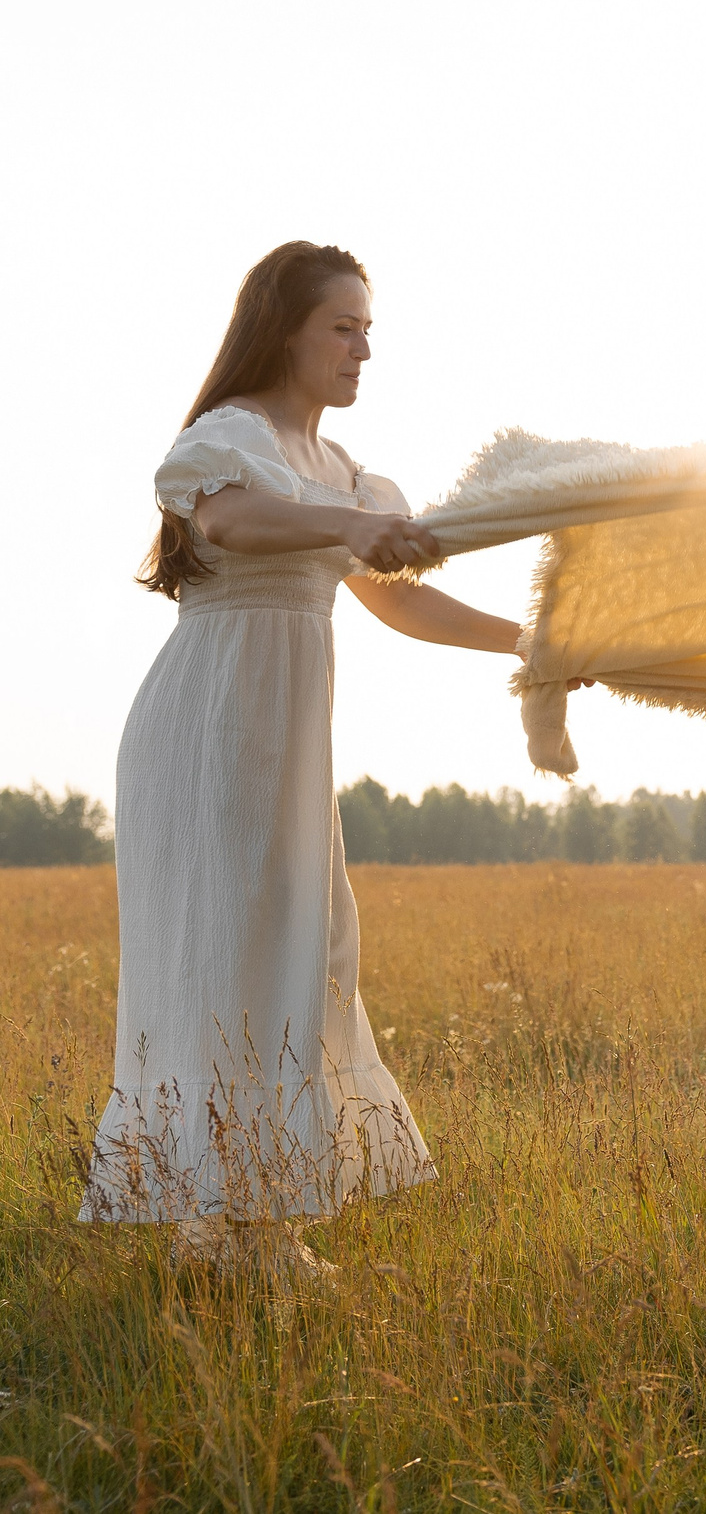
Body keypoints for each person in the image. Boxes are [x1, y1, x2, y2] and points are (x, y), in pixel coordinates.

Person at [87, 241, 543, 1281]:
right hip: (208, 726)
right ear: (283, 328)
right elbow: (228, 520)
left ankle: (251, 1218)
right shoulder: (230, 438)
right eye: (344, 326)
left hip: (288, 736)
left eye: (369, 329)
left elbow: (399, 599)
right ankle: (232, 1227)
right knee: (229, 955)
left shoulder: (346, 472)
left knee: (308, 950)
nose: (363, 349)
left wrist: (529, 645)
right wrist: (351, 525)